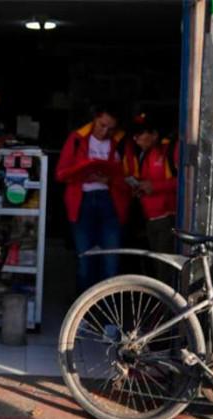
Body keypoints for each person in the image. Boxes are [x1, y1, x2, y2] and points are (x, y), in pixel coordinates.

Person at [56, 105, 130, 293]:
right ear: (94, 119)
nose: (105, 131)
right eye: (102, 125)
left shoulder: (122, 142)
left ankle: (108, 316)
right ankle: (83, 317)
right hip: (83, 202)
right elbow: (60, 174)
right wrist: (81, 172)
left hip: (110, 203)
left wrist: (110, 180)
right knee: (85, 262)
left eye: (110, 128)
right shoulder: (77, 139)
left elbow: (131, 180)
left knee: (111, 264)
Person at [122, 113, 179, 275]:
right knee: (156, 268)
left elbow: (186, 182)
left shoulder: (171, 150)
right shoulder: (143, 154)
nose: (136, 139)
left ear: (154, 134)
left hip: (167, 219)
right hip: (150, 219)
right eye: (134, 135)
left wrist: (154, 186)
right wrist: (140, 188)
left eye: (140, 134)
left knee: (165, 270)